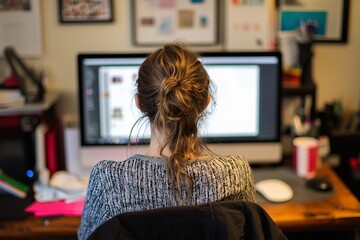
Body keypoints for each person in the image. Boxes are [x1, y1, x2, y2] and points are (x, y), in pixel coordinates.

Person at [78, 42, 256, 240]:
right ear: (206, 101)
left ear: (139, 103)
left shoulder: (106, 181)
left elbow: (86, 237)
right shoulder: (236, 173)